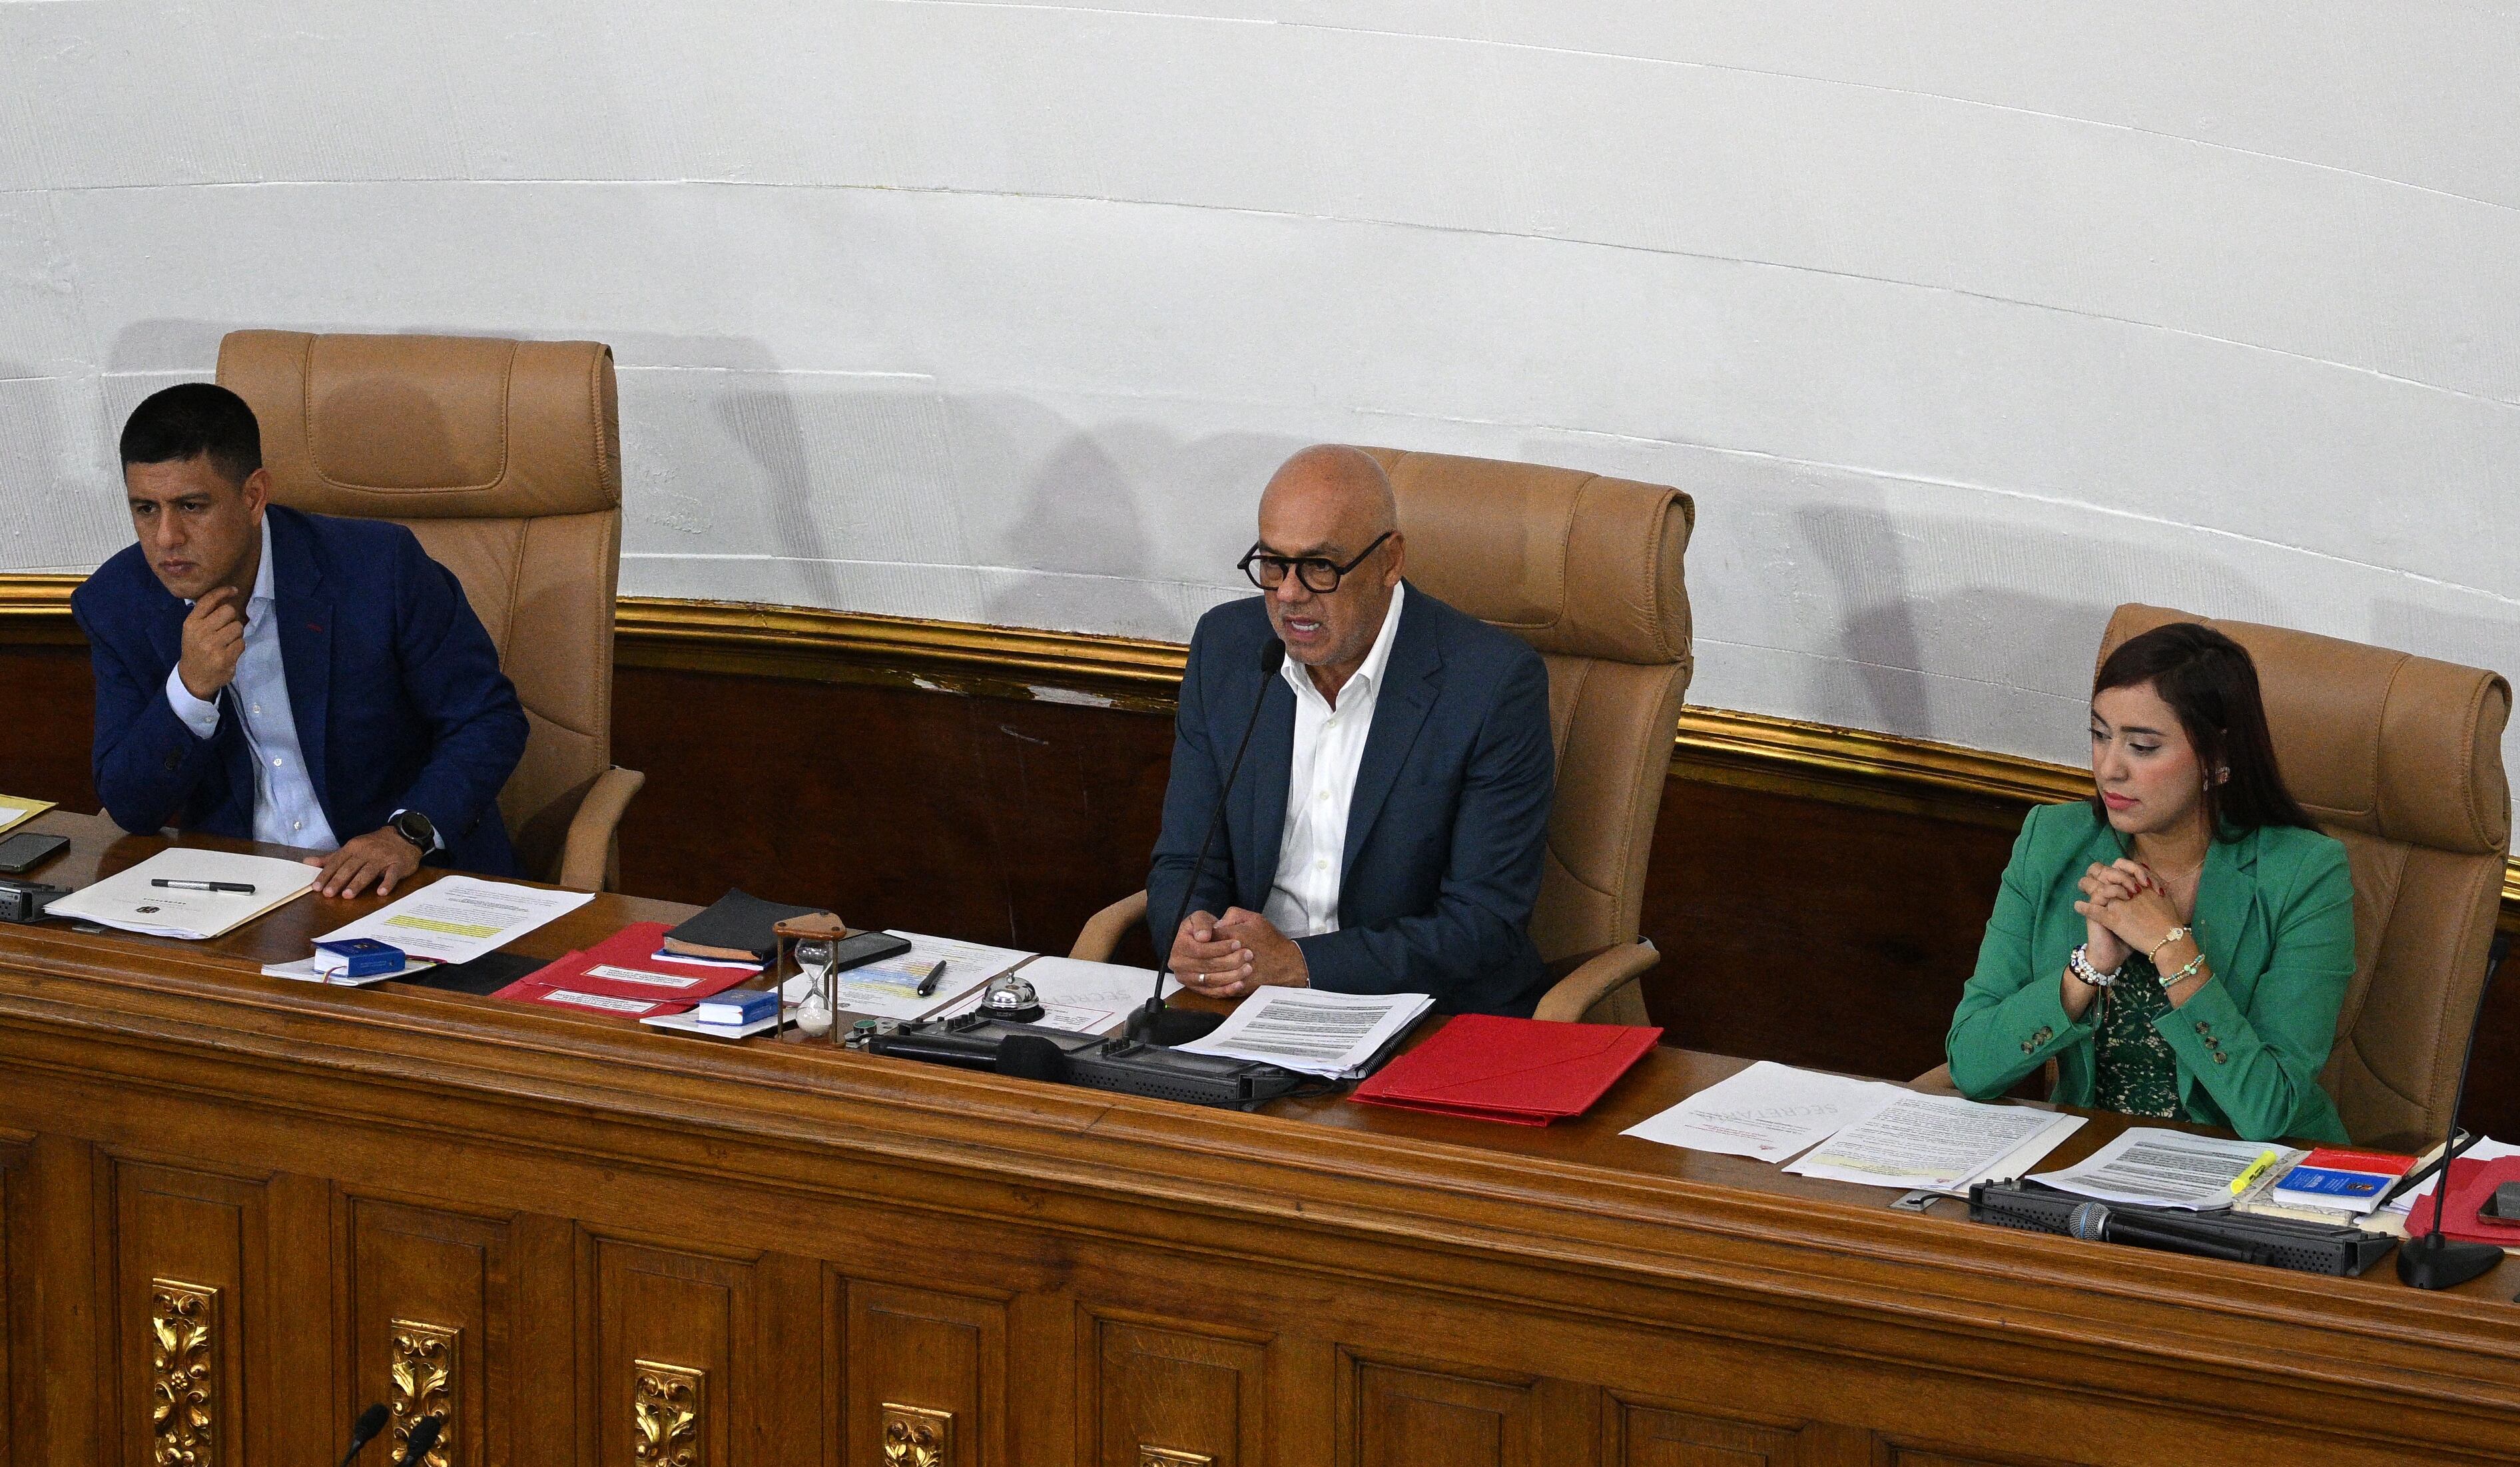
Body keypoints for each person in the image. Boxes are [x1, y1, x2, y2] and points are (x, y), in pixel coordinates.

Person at [71, 383, 528, 898]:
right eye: (146, 509)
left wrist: (406, 834)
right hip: (239, 893)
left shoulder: (380, 568)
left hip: (404, 880)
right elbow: (131, 805)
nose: (166, 538)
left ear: (253, 496)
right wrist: (189, 689)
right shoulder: (117, 604)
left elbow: (488, 719)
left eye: (192, 506)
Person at [1148, 444, 1555, 1016]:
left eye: (1320, 566)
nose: (1289, 594)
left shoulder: (1491, 684)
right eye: (1272, 563)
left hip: (1419, 1013)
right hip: (1244, 1003)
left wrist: (1302, 964)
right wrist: (1188, 934)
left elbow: (1482, 925)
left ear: (1391, 561)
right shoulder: (1229, 651)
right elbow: (1185, 861)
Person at [1946, 622, 2356, 1143]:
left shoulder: (2305, 873)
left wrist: (2172, 947)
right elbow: (1970, 1063)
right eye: (2099, 735)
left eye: (2142, 746)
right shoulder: (2050, 843)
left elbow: (2268, 1110)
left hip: (2247, 1178)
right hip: (2084, 1167)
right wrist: (2087, 971)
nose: (2109, 768)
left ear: (2219, 757)